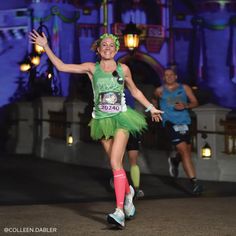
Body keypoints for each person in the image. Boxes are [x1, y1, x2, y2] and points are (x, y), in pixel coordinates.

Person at [29, 30, 163, 228]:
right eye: (104, 45)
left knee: (115, 162)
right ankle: (128, 193)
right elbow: (61, 66)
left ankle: (119, 211)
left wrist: (151, 108)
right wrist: (45, 46)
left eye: (111, 45)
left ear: (116, 49)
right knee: (114, 164)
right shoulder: (91, 68)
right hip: (101, 120)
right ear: (98, 50)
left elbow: (134, 91)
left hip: (122, 119)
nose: (108, 48)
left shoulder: (123, 68)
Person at [154, 67, 203, 195]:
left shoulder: (185, 88)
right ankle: (195, 183)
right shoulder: (159, 91)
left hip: (185, 123)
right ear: (164, 77)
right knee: (184, 151)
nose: (169, 77)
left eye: (171, 75)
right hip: (170, 123)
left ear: (176, 76)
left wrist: (185, 105)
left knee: (186, 151)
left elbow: (195, 102)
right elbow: (154, 101)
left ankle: (175, 160)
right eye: (166, 75)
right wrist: (155, 111)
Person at [110, 89, 145, 199]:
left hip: (129, 125)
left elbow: (137, 94)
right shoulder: (109, 89)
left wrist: (151, 108)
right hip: (118, 125)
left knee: (130, 159)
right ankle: (125, 186)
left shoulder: (125, 89)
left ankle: (136, 189)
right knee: (118, 160)